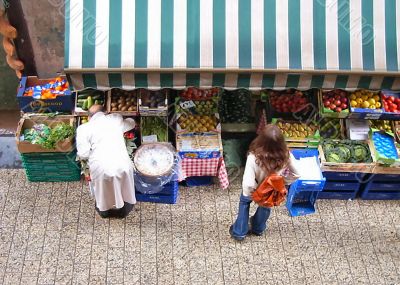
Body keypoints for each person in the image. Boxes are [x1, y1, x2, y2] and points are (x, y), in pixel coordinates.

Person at [229, 124, 299, 241]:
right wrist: (283, 181)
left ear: (261, 139)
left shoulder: (254, 156)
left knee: (244, 204)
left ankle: (239, 232)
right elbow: (297, 173)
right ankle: (258, 228)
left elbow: (248, 183)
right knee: (265, 207)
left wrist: (252, 192)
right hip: (270, 189)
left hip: (254, 188)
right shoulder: (286, 155)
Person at [76, 104, 136, 218]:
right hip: (122, 164)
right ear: (105, 112)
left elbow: (83, 154)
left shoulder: (83, 129)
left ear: (89, 117)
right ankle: (123, 211)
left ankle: (104, 212)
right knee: (124, 187)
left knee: (103, 190)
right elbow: (130, 123)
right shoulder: (115, 118)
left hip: (100, 168)